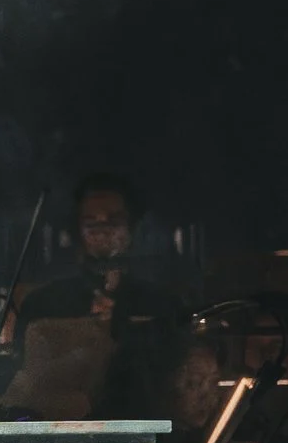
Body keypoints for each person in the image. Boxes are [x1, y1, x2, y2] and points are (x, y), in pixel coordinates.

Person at [13, 174, 185, 419]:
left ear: (132, 228)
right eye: (91, 222)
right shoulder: (43, 303)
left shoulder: (163, 305)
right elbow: (28, 386)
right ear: (78, 230)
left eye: (114, 221)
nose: (102, 230)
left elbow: (173, 377)